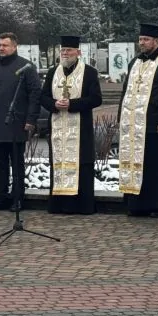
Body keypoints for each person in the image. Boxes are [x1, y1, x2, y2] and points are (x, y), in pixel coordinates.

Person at [0, 32, 41, 212]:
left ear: (14, 46)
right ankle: (0, 197)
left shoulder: (26, 67)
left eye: (5, 45)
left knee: (17, 164)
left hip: (17, 123)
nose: (1, 48)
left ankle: (18, 199)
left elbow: (35, 95)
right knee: (0, 163)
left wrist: (31, 119)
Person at [118, 23, 158, 218]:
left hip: (155, 124)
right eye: (140, 39)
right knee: (136, 164)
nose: (142, 43)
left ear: (156, 41)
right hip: (133, 125)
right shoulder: (134, 62)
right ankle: (136, 204)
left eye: (146, 40)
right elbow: (125, 92)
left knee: (157, 167)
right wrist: (121, 117)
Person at [40, 36, 103, 215]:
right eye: (63, 50)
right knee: (59, 164)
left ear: (78, 52)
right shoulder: (53, 72)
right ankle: (58, 205)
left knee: (81, 165)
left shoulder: (89, 72)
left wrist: (72, 104)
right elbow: (43, 97)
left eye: (69, 50)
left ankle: (81, 206)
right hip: (58, 129)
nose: (65, 54)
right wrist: (54, 104)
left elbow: (96, 99)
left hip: (80, 130)